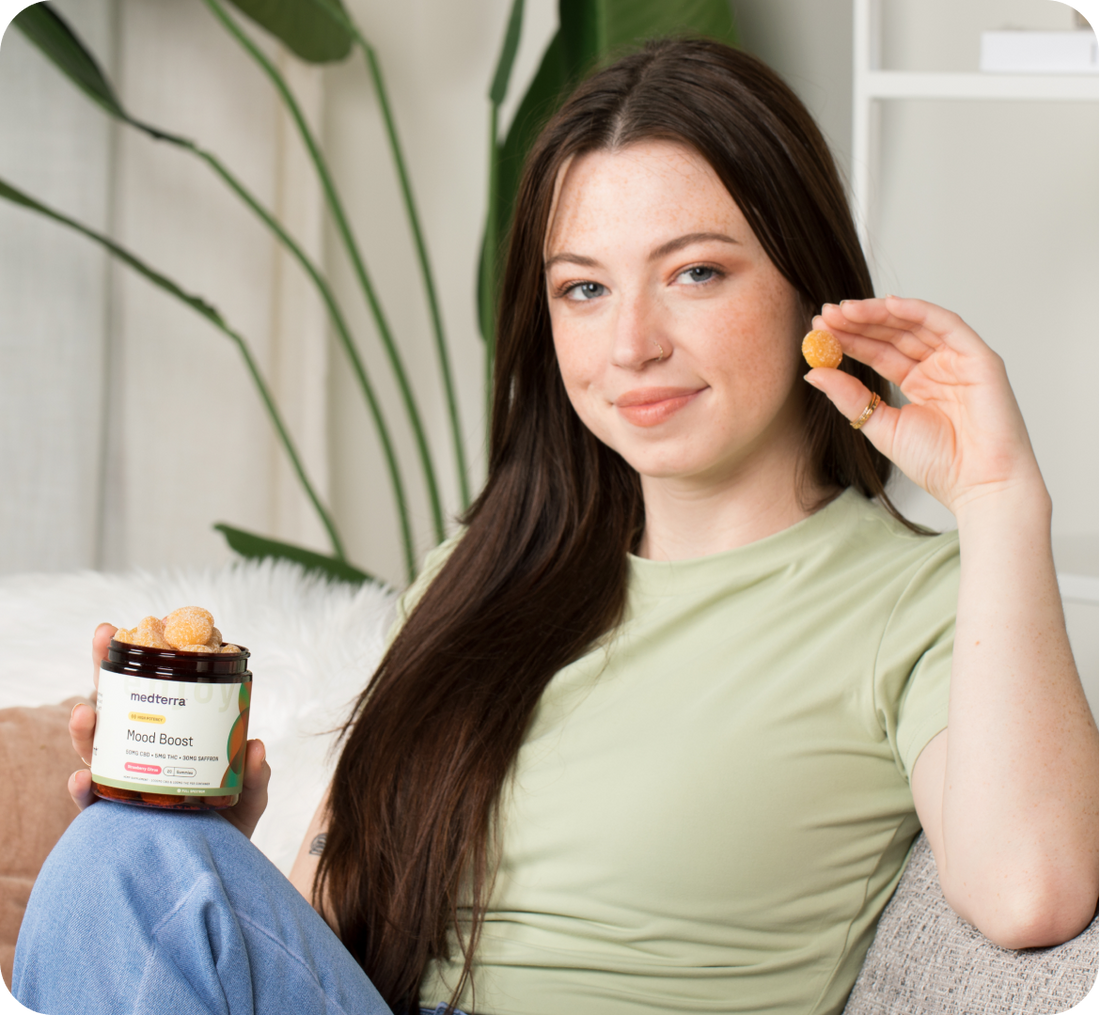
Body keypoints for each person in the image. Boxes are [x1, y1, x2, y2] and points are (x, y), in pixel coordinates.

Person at [13, 37, 1100, 1015]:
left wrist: (1002, 498)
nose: (630, 343)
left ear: (809, 287)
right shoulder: (482, 571)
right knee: (130, 842)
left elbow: (1028, 892)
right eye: (582, 290)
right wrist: (213, 851)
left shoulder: (914, 601)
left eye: (694, 273)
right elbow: (334, 929)